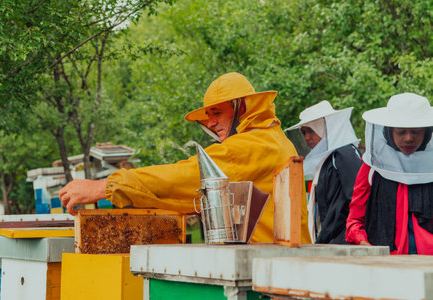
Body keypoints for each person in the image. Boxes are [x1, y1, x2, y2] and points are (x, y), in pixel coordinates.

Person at [59, 72, 311, 243]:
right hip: (280, 263)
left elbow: (184, 176)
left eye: (217, 112)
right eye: (207, 116)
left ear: (241, 108)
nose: (211, 123)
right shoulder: (273, 138)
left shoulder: (249, 146)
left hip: (268, 270)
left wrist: (105, 186)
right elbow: (191, 197)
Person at [346, 93, 433, 254]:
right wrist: (363, 242)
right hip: (386, 261)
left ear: (427, 133)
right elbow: (355, 219)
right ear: (389, 132)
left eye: (416, 131)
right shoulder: (373, 166)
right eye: (401, 132)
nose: (408, 138)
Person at [285, 101, 362, 244]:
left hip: (344, 242)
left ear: (326, 128)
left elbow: (358, 200)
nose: (306, 137)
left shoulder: (345, 154)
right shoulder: (328, 159)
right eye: (303, 132)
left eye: (311, 130)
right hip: (332, 241)